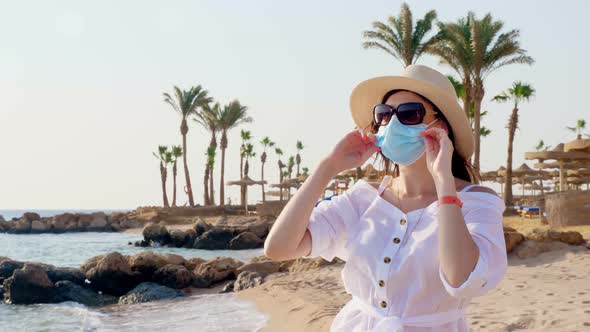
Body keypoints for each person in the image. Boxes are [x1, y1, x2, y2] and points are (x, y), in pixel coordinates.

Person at [264, 64, 507, 331]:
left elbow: (462, 279)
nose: (392, 124)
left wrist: (444, 184)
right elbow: (278, 248)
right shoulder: (362, 199)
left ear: (442, 126)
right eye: (384, 115)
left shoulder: (477, 202)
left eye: (409, 113)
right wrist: (328, 167)